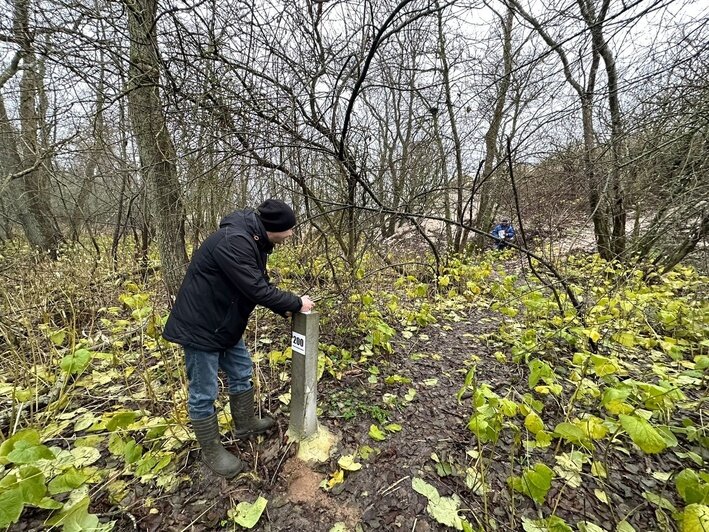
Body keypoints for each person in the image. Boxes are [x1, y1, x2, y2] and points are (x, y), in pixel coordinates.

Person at [163, 199, 315, 478]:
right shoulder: (235, 242)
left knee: (242, 371)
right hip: (202, 326)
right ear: (274, 228)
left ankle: (244, 424)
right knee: (203, 393)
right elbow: (256, 289)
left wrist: (285, 304)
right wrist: (295, 302)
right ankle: (212, 452)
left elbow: (256, 283)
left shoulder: (253, 240)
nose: (292, 234)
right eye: (290, 229)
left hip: (225, 322)